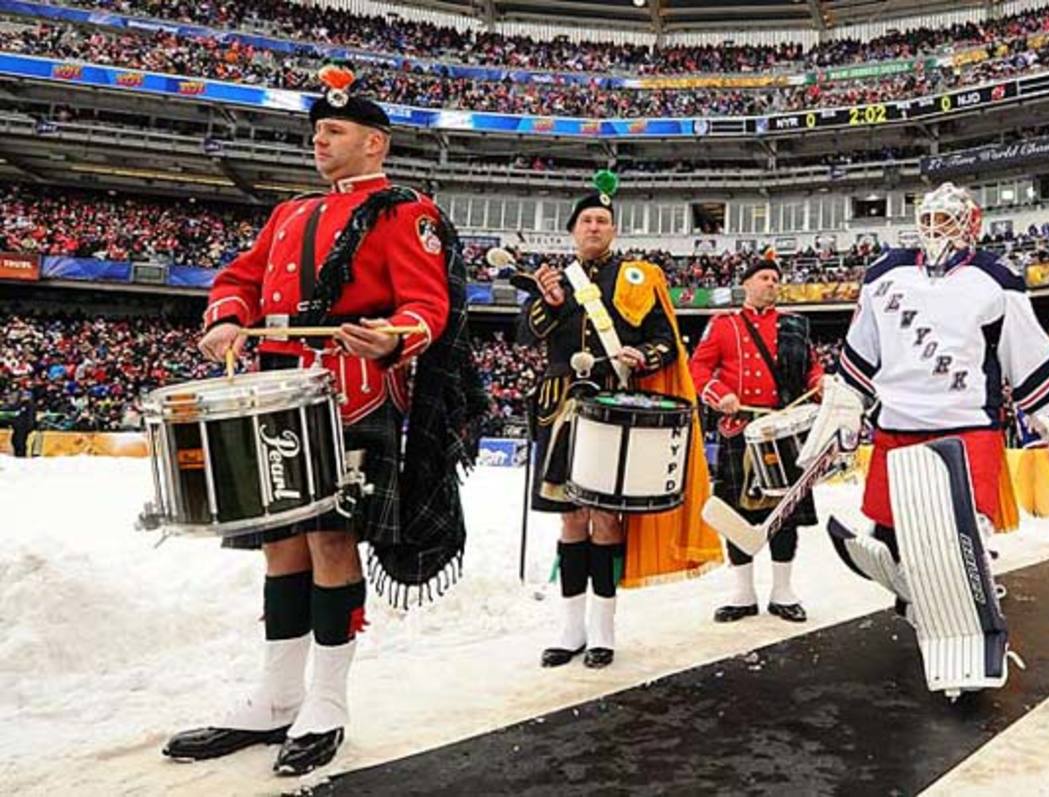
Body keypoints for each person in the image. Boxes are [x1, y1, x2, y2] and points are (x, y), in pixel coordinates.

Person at [163, 65, 481, 776]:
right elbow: (240, 278)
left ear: (375, 143)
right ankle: (278, 697)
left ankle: (328, 702)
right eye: (316, 132)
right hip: (276, 392)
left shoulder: (405, 212)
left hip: (354, 393)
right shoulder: (289, 213)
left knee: (332, 542)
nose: (319, 141)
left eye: (334, 131)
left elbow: (426, 305)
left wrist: (392, 336)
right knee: (281, 545)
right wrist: (227, 318)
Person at [798, 182, 1049, 697]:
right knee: (889, 539)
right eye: (928, 219)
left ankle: (971, 641)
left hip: (966, 423)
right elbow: (861, 351)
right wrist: (845, 405)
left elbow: (1026, 353)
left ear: (970, 223)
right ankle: (922, 608)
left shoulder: (997, 277)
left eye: (946, 220)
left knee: (963, 541)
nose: (934, 229)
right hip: (896, 422)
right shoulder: (884, 272)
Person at [525, 171, 721, 670]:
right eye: (586, 220)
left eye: (602, 221)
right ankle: (571, 629)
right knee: (571, 518)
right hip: (561, 405)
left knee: (608, 519)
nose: (594, 227)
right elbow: (525, 334)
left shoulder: (637, 279)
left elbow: (665, 339)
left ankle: (603, 631)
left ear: (613, 230)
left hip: (615, 403)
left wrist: (644, 356)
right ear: (573, 230)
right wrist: (548, 304)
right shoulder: (553, 281)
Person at [689, 254, 824, 624]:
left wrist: (819, 384)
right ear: (746, 283)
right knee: (737, 513)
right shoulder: (724, 325)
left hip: (785, 428)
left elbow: (812, 368)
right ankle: (743, 593)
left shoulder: (796, 324)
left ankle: (783, 592)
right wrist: (719, 394)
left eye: (775, 279)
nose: (771, 283)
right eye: (764, 277)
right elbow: (698, 367)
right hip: (740, 428)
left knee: (785, 513)